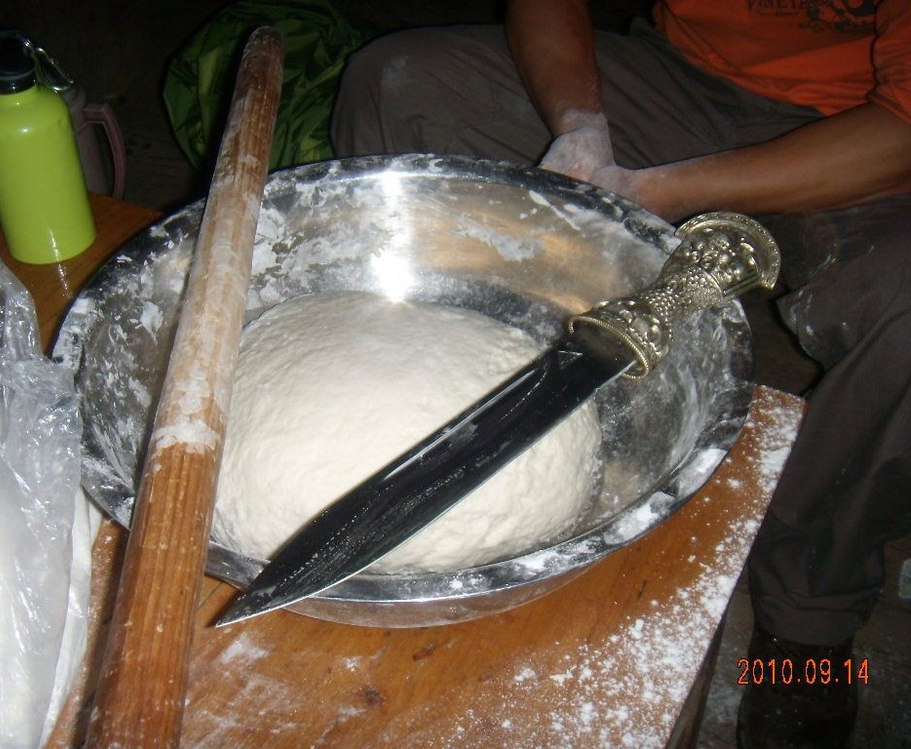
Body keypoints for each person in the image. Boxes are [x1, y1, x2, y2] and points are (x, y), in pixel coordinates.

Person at [328, 2, 911, 747]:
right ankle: (445, 374)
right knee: (397, 82)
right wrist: (582, 131)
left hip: (870, 136)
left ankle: (810, 619)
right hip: (685, 81)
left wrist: (665, 192)